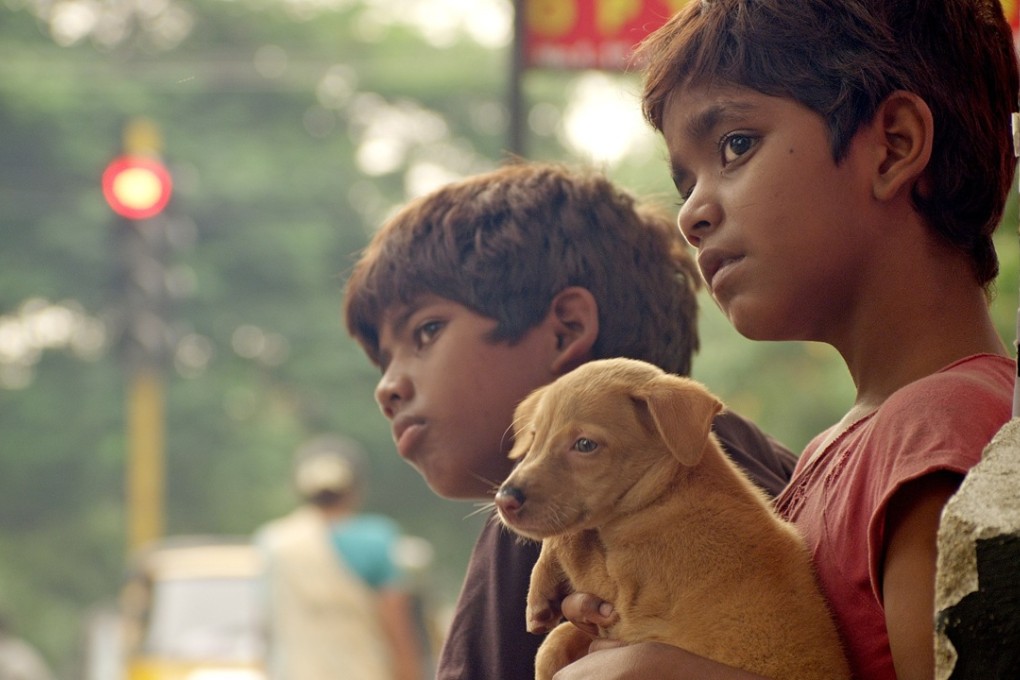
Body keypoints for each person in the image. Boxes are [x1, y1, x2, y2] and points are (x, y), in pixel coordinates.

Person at [553, 1, 1019, 678]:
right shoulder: (844, 447)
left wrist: (667, 671)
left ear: (892, 145)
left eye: (735, 145)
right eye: (684, 182)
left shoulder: (935, 433)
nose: (692, 212)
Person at [342, 161, 797, 680]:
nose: (388, 386)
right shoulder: (753, 458)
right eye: (383, 361)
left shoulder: (548, 517)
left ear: (566, 329)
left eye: (424, 332)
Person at [256, 435, 425, 680]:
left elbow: (266, 630)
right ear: (355, 488)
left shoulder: (273, 543)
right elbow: (398, 630)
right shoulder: (376, 540)